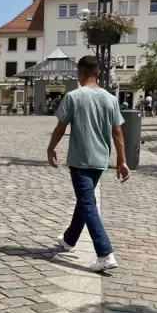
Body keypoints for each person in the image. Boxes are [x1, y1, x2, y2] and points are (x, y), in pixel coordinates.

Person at [47, 55, 130, 272]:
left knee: (87, 203)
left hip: (80, 160)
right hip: (100, 160)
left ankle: (105, 253)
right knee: (85, 200)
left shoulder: (74, 97)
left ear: (79, 73)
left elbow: (60, 126)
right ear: (99, 73)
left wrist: (51, 148)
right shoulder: (110, 99)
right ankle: (69, 240)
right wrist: (122, 161)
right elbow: (118, 131)